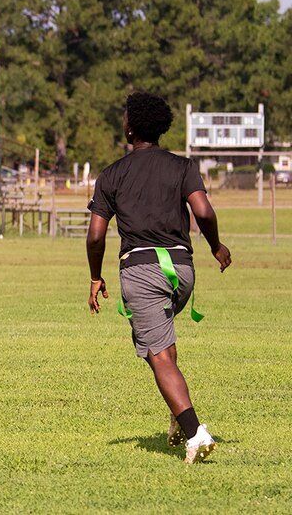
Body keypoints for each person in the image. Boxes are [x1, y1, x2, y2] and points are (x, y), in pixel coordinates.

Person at [86, 92, 232, 463]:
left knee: (158, 357)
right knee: (164, 345)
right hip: (182, 271)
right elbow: (203, 210)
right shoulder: (182, 166)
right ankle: (177, 415)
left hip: (142, 271)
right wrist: (215, 246)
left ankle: (196, 434)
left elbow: (96, 235)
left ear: (131, 127)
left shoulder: (112, 174)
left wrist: (95, 276)